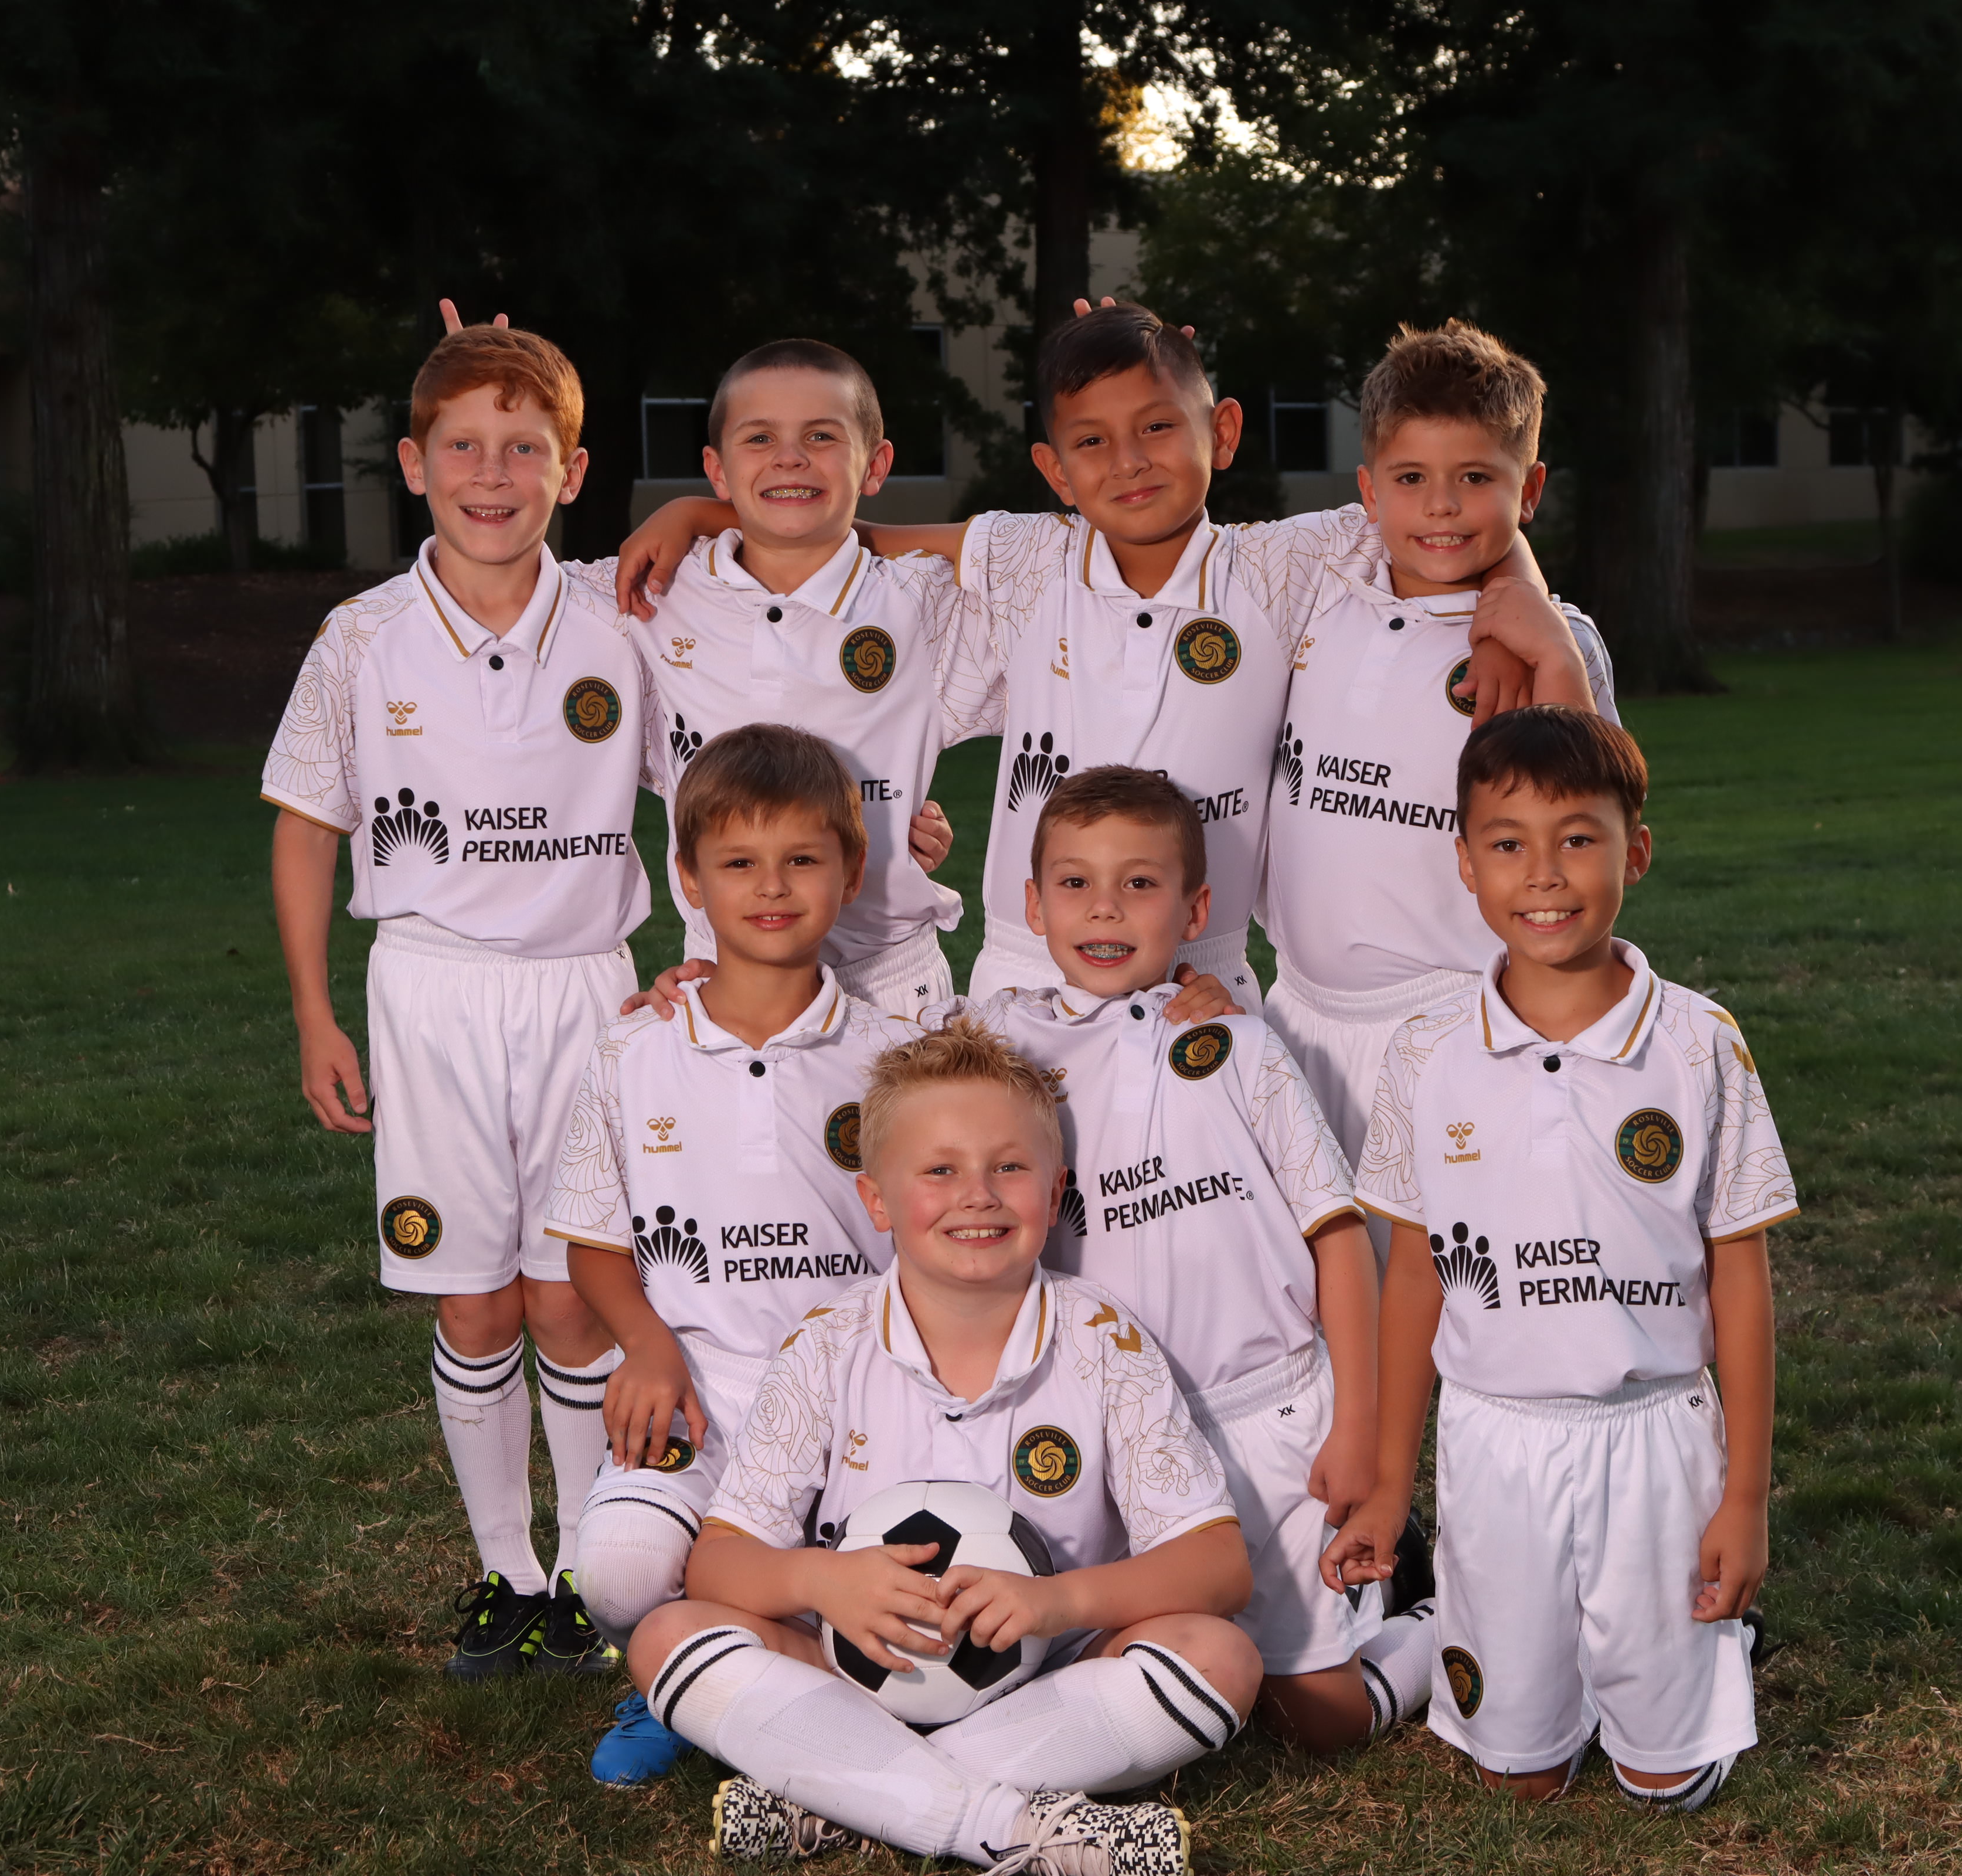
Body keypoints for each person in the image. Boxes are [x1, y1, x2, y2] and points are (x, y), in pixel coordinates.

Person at [616, 299, 1590, 1012]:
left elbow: (1452, 511)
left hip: (1202, 973)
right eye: (1092, 441)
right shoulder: (1026, 558)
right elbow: (845, 534)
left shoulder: (1283, 568)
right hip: (1024, 969)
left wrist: (1522, 606)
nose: (1128, 461)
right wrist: (701, 510)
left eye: (1158, 428)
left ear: (1223, 431)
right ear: (1053, 469)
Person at [628, 1022, 1258, 1872]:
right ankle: (1005, 1827)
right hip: (850, 1681)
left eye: (1010, 1167)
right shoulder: (828, 1343)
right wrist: (820, 1581)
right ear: (877, 1201)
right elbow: (718, 1563)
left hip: (1052, 1688)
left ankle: (847, 1796)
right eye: (940, 1171)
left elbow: (1219, 1566)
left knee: (1222, 1657)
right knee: (667, 1636)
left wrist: (1059, 1602)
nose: (978, 1195)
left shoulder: (1103, 1338)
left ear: (1055, 1191)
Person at [1326, 706, 1797, 1810]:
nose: (1544, 874)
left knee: (1666, 1786)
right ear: (1465, 862)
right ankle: (1526, 1659)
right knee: (1522, 1780)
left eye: (1579, 839)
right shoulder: (1427, 1050)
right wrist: (1390, 1487)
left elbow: (1739, 1275)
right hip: (1496, 1437)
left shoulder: (1698, 1042)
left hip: (1654, 1432)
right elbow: (1416, 1276)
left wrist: (1746, 1498)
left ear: (1637, 850)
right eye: (1508, 843)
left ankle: (1679, 1660)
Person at [262, 321, 639, 1680]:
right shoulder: (362, 638)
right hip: (429, 996)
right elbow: (306, 827)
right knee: (474, 1304)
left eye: (523, 449)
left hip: (589, 996)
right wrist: (315, 1015)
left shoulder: (624, 619)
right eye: (463, 447)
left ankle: (593, 1574)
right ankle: (504, 1571)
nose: (492, 475)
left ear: (571, 472)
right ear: (415, 465)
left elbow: (719, 782)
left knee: (573, 1300)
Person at [939, 764, 1435, 1752]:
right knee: (1113, 1660)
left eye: (1140, 883)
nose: (1105, 909)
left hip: (1267, 1413)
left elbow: (1339, 1241)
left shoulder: (1239, 1045)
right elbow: (885, 1090)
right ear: (1033, 906)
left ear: (1195, 909)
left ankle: (1441, 1612)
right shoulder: (996, 1042)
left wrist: (1360, 1433)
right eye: (1075, 883)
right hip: (1107, 1428)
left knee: (1316, 1722)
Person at [540, 724, 917, 1784]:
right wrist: (647, 1347)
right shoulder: (635, 1046)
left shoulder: (892, 1057)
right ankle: (673, 1671)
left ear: (851, 872)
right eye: (740, 862)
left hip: (852, 1397)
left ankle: (727, 1664)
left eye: (802, 859)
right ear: (690, 879)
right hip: (698, 1390)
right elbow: (594, 1244)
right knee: (616, 1572)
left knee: (904, 1587)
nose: (772, 888)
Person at [1262, 321, 1617, 1181]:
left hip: (1452, 1025)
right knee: (1317, 1260)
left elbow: (1586, 823)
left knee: (1444, 1259)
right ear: (1369, 490)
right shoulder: (1324, 591)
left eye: (1476, 479)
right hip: (1293, 1017)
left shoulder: (1552, 646)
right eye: (1411, 478)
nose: (1442, 506)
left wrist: (1540, 639)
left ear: (1529, 489)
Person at [608, 336, 975, 1018]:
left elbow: (1061, 550)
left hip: (891, 983)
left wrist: (699, 510)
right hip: (726, 975)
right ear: (716, 469)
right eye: (760, 438)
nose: (789, 457)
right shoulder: (653, 595)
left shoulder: (922, 601)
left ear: (876, 464)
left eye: (821, 436)